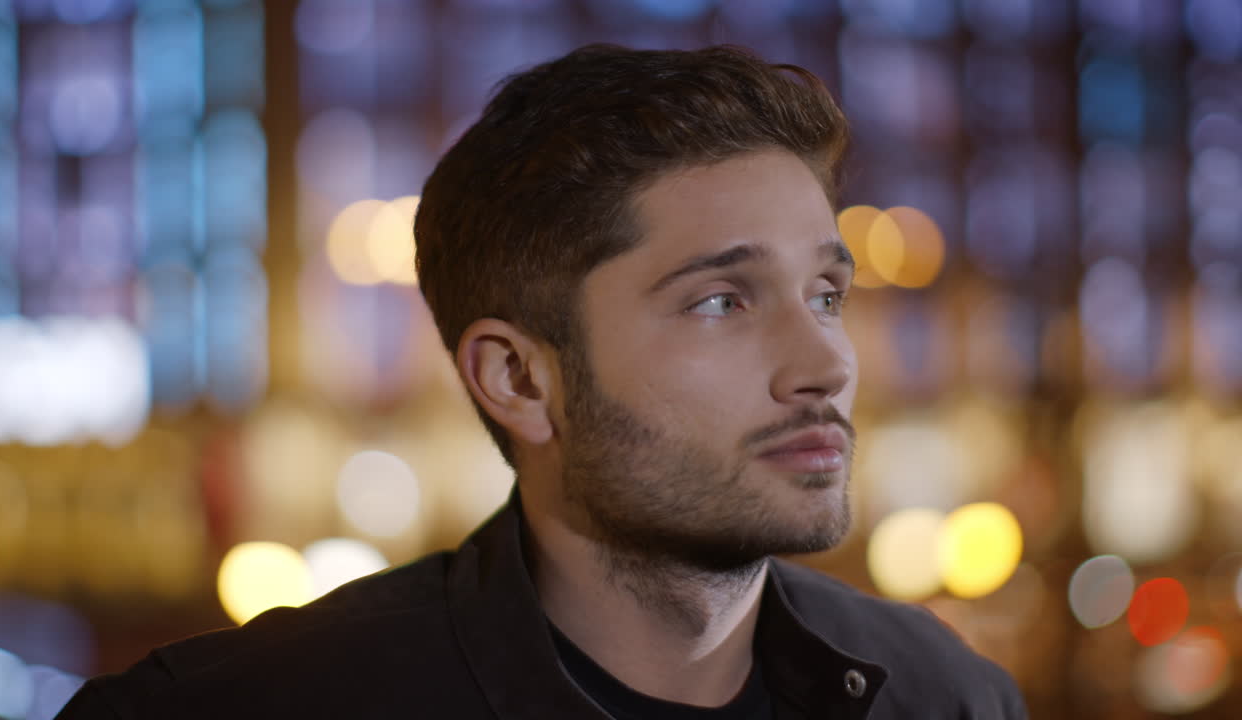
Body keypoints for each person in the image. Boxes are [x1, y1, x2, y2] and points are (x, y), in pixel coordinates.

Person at [58, 44, 1027, 719]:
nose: (826, 364)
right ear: (518, 378)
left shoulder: (941, 695)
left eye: (824, 293)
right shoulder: (237, 710)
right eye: (720, 302)